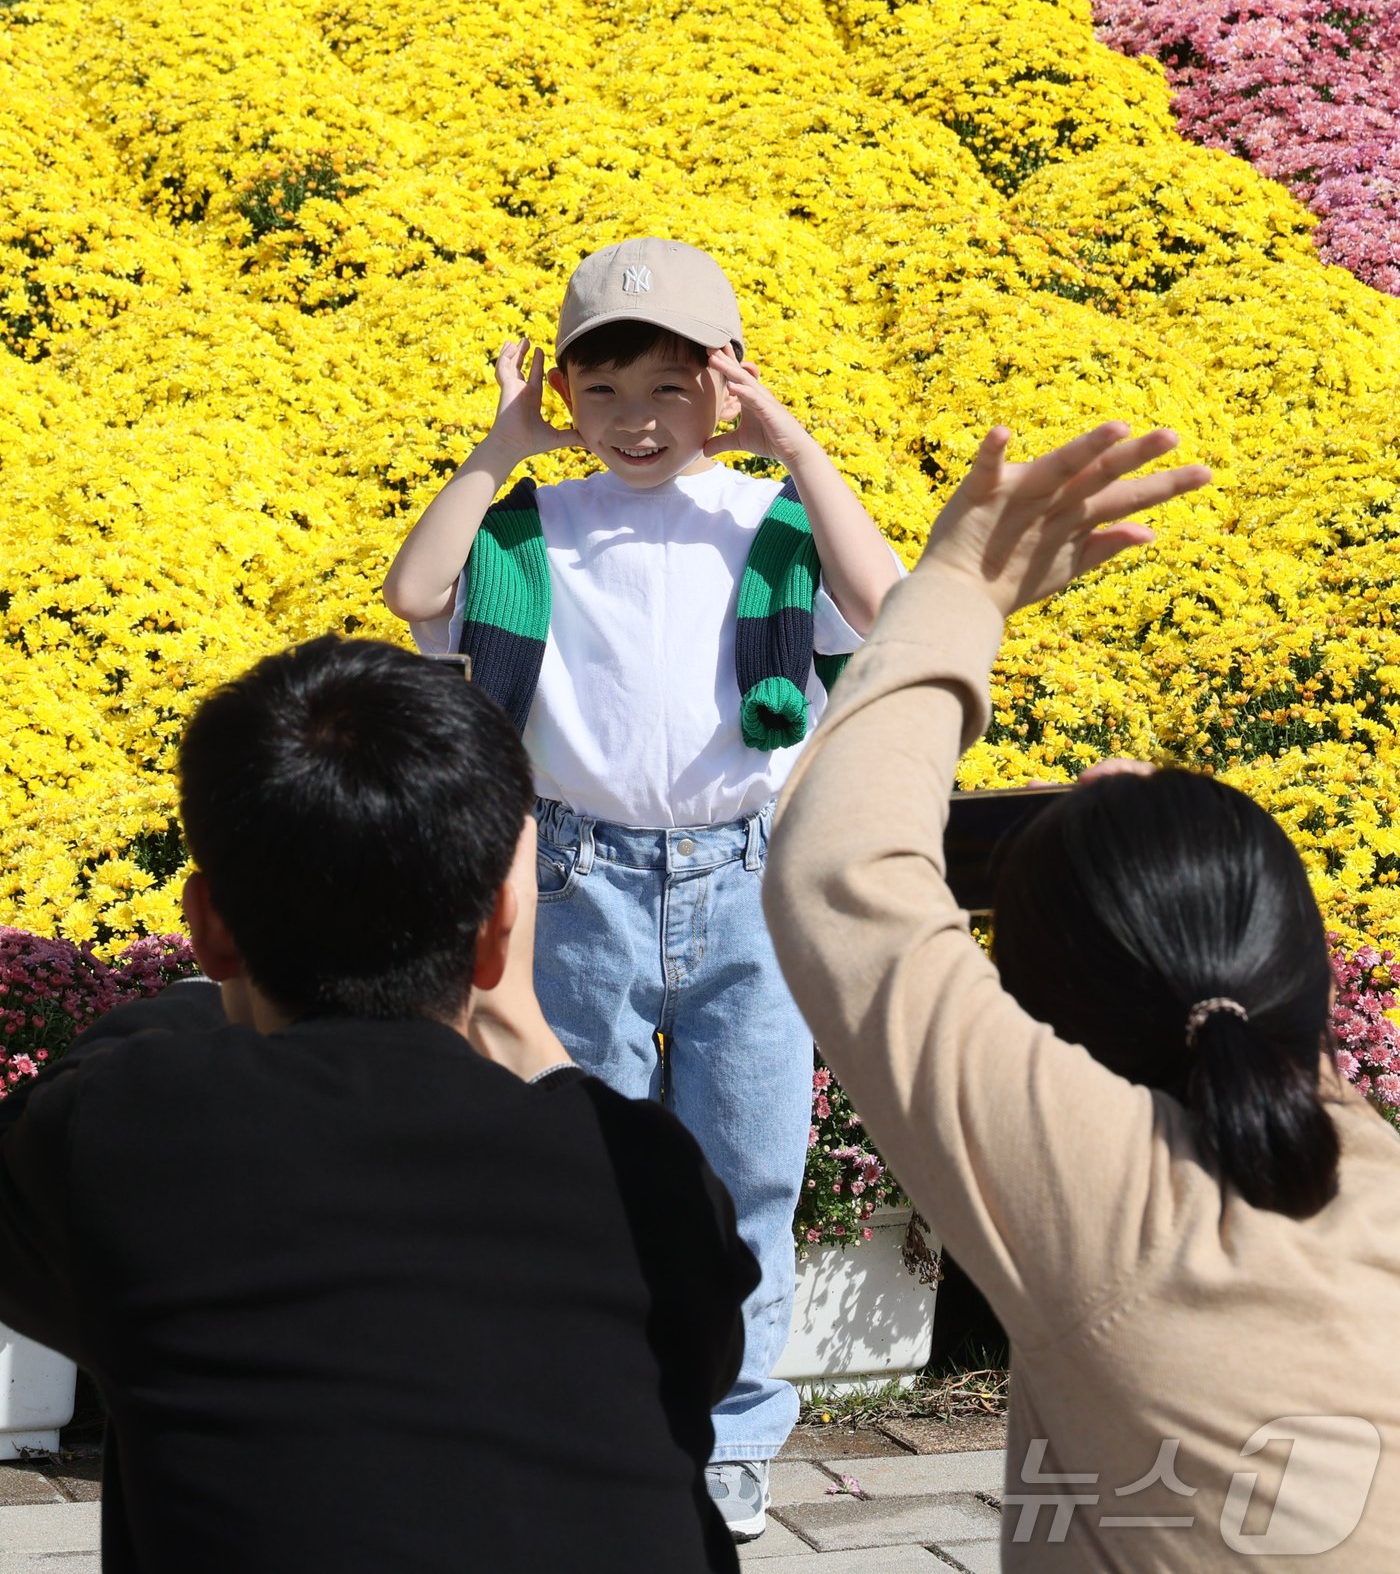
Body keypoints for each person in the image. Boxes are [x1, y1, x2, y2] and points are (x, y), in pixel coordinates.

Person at [764, 421, 1400, 1568]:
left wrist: (958, 584)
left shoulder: (1116, 1202)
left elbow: (834, 875)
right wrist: (1138, 868)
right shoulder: (1368, 1184)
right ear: (1302, 961)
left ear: (1042, 1018)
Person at [0, 636, 757, 1574]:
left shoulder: (130, 1129)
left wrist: (195, 1006)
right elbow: (703, 1365)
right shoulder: (649, 1180)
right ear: (493, 937)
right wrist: (522, 1022)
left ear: (207, 928)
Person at [382, 237, 902, 1536]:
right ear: (563, 393)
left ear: (723, 386)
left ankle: (731, 1435)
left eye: (669, 388)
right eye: (601, 391)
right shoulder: (532, 523)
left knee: (749, 1169)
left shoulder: (764, 519)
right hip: (579, 875)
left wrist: (795, 443)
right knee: (583, 1164)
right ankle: (597, 1410)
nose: (635, 421)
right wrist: (502, 447)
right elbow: (415, 591)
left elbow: (887, 605)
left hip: (747, 876)